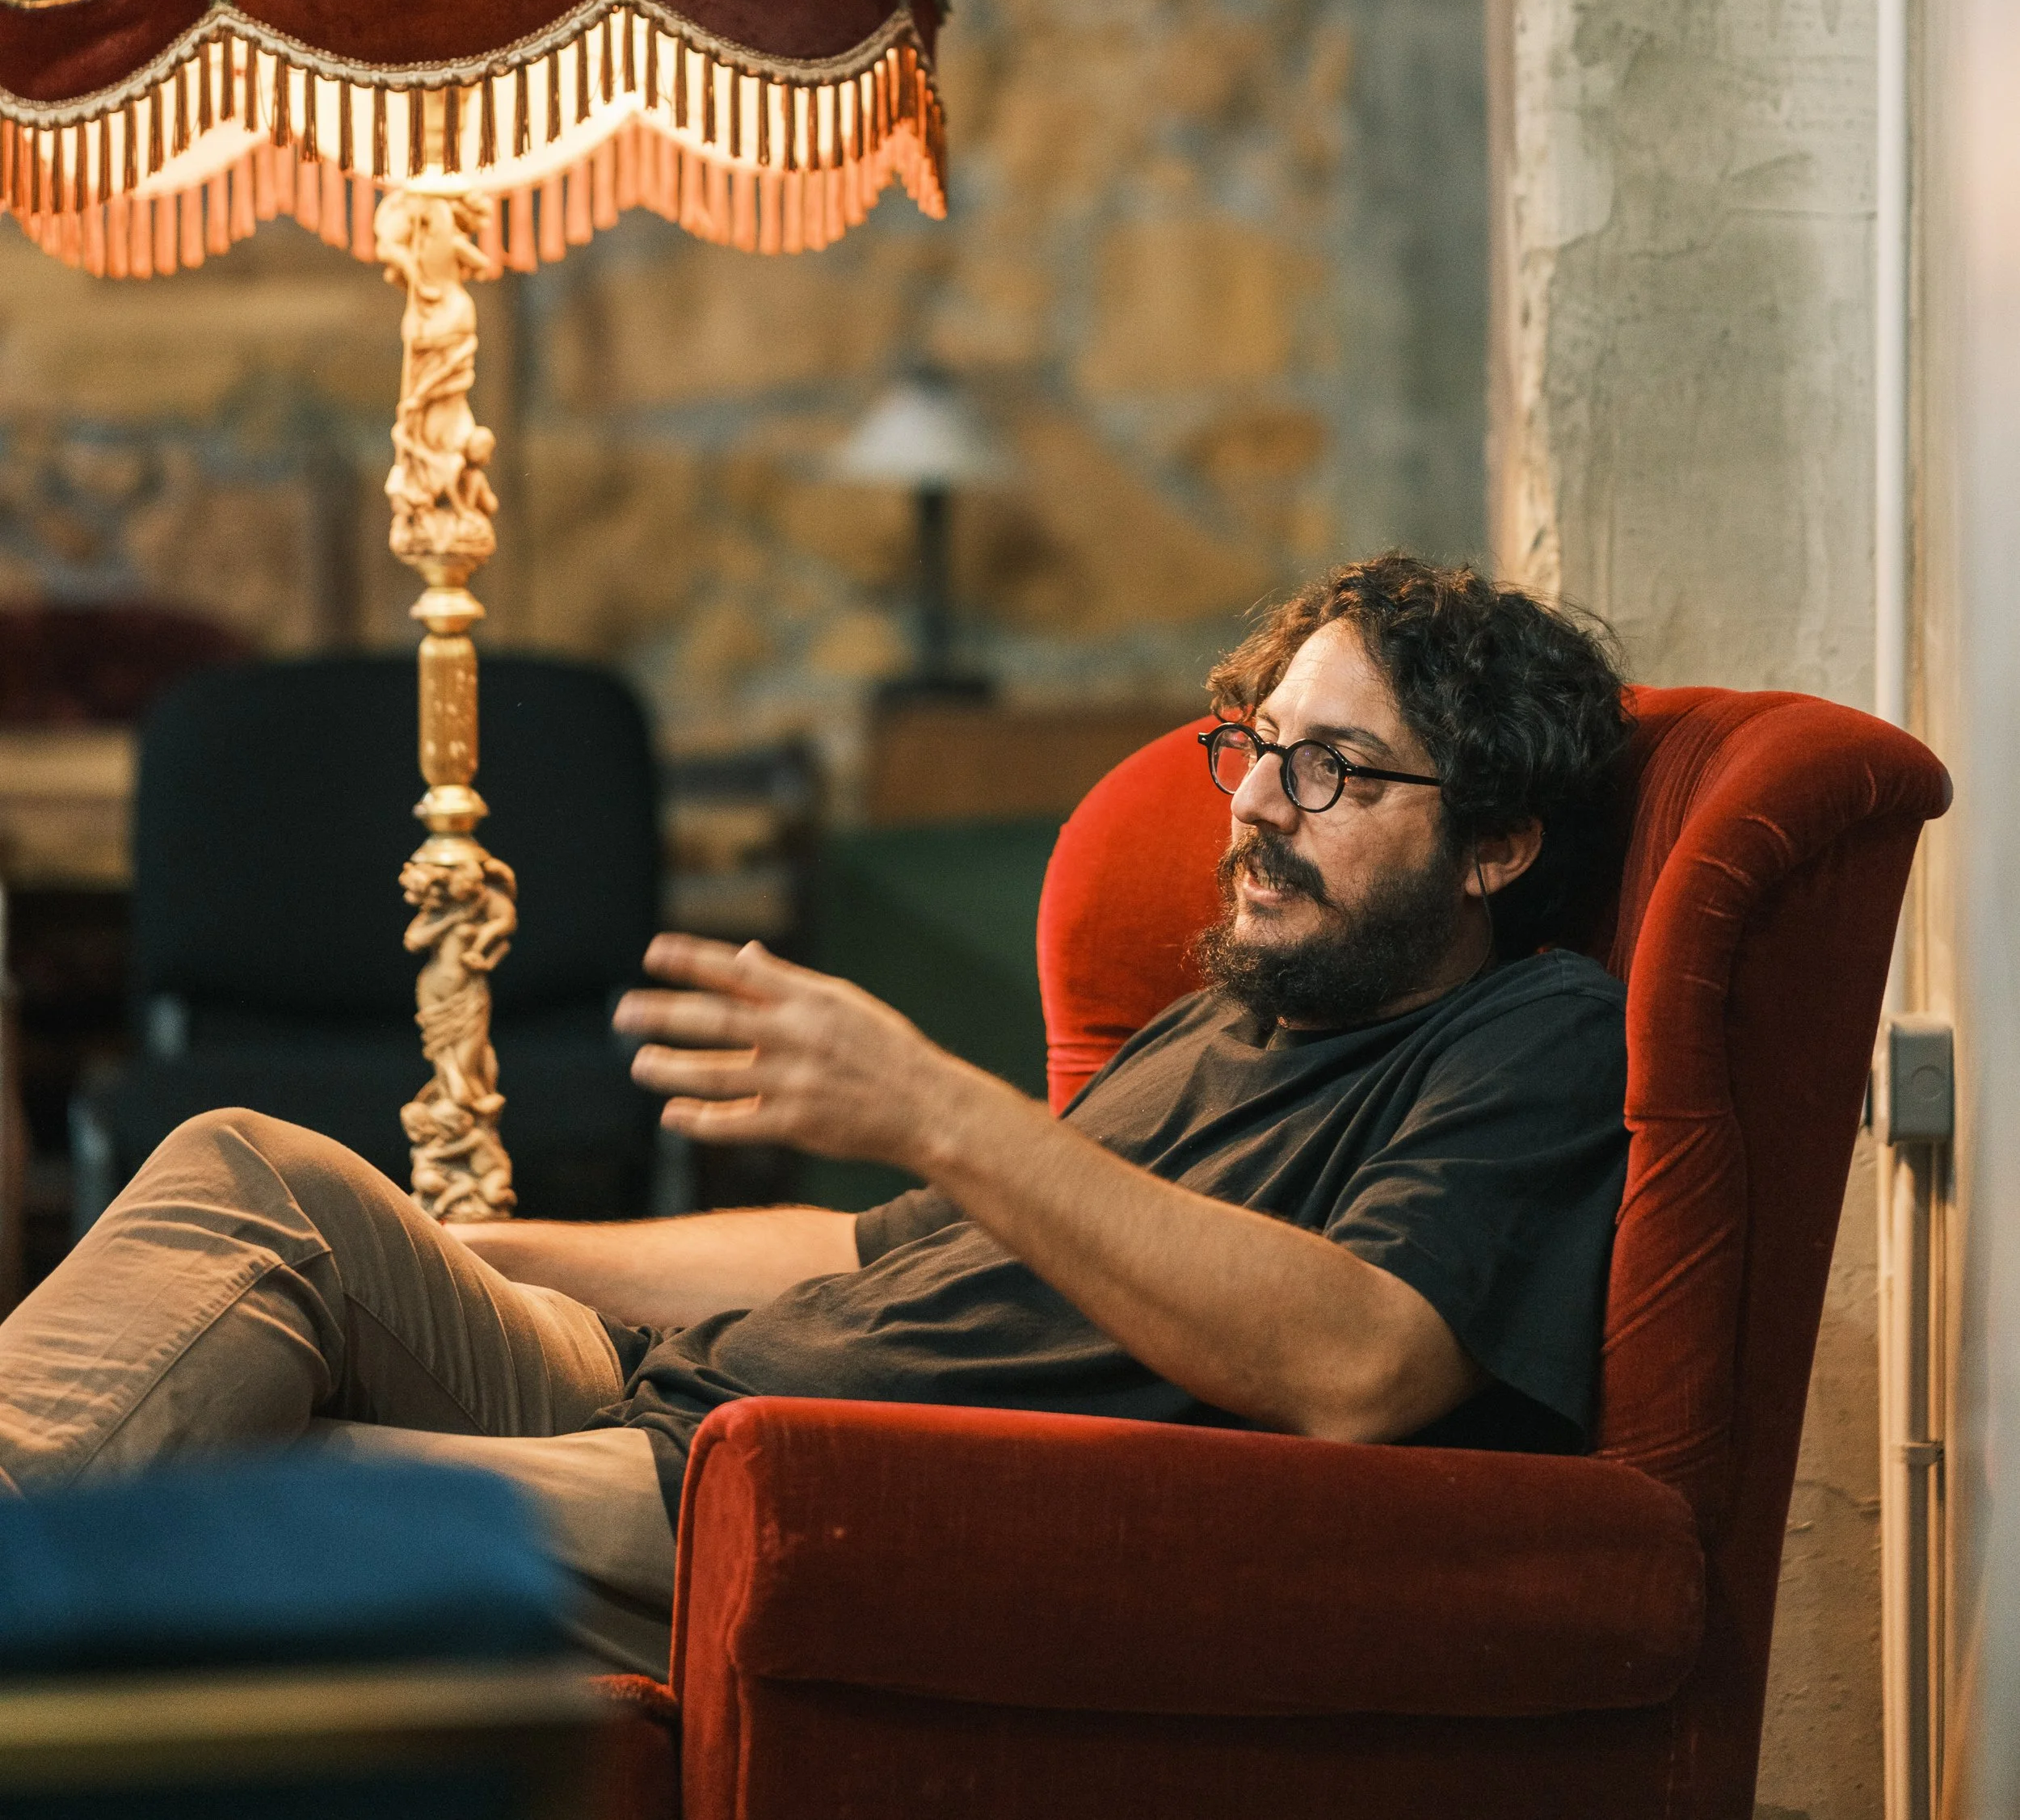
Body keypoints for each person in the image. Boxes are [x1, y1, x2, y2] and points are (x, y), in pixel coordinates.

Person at [0, 553, 1634, 1680]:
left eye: (1334, 769)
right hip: (657, 1392)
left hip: (767, 1489)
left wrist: (936, 1101)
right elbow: (854, 1246)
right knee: (253, 1168)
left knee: (226, 1467)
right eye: (1253, 749)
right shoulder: (1231, 1010)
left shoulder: (1523, 1033)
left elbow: (1358, 1366)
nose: (1258, 808)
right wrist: (462, 1251)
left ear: (1492, 842)